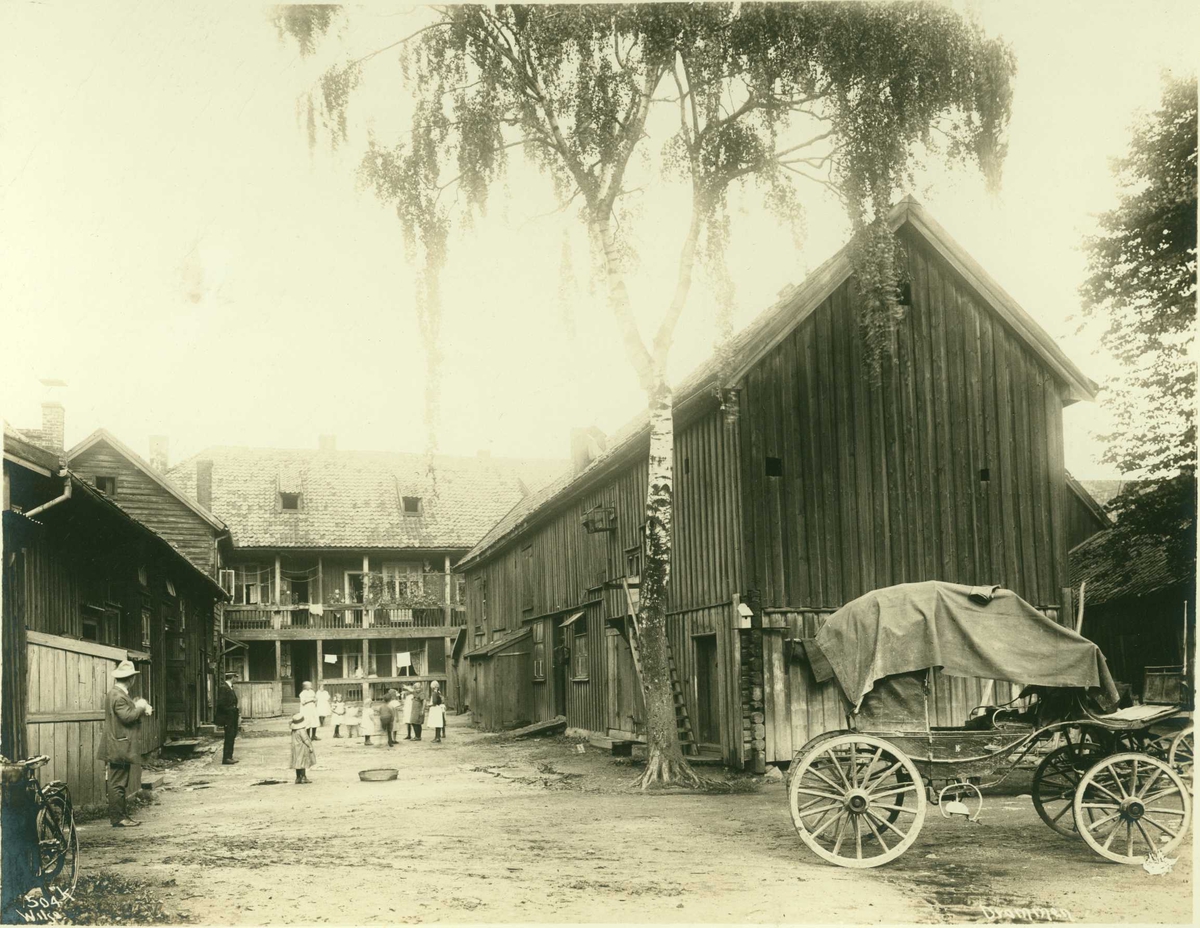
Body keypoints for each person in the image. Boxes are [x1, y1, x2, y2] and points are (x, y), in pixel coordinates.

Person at [96, 660, 151, 827]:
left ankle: (120, 816)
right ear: (131, 679)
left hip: (117, 744)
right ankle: (119, 818)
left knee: (117, 781)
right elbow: (127, 717)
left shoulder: (116, 693)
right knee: (117, 783)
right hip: (119, 746)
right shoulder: (118, 696)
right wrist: (141, 707)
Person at [213, 671, 240, 765]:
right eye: (236, 677)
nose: (237, 679)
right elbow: (221, 704)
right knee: (229, 736)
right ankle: (226, 758)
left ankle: (229, 756)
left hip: (232, 716)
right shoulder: (224, 688)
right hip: (228, 717)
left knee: (232, 736)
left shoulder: (229, 687)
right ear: (232, 677)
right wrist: (231, 710)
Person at [289, 713, 315, 784]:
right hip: (302, 748)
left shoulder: (294, 731)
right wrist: (310, 746)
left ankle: (298, 778)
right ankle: (304, 777)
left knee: (297, 762)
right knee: (303, 762)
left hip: (295, 748)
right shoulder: (302, 730)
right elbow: (305, 739)